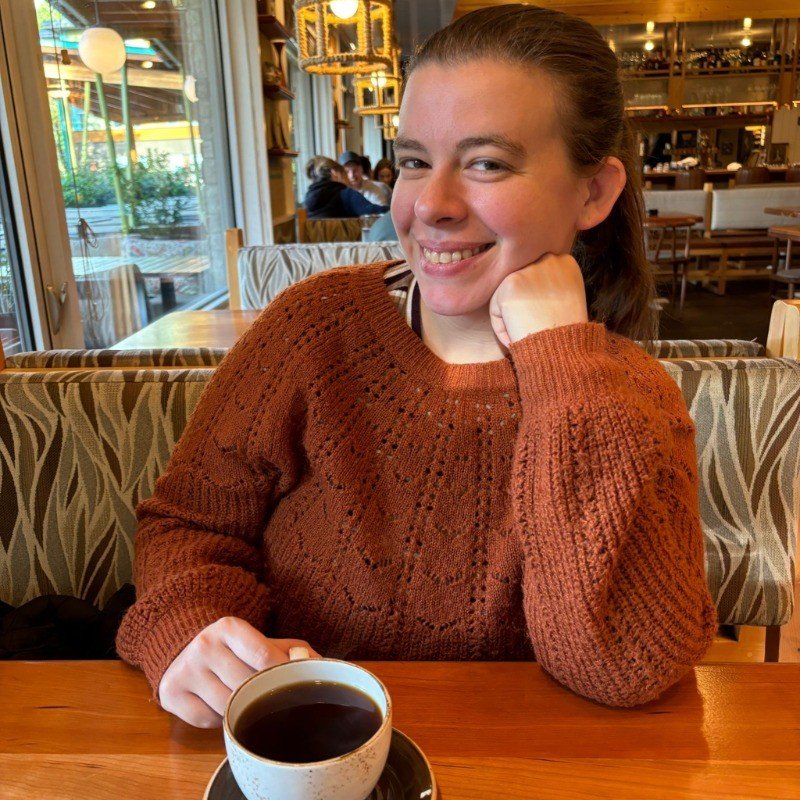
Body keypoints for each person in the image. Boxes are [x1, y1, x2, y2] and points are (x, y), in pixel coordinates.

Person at [117, 4, 717, 729]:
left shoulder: (630, 398)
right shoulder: (315, 330)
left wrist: (560, 361)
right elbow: (187, 522)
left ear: (593, 191)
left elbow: (627, 666)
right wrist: (189, 627)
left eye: (487, 163)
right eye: (413, 162)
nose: (430, 204)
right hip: (303, 752)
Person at [302, 156, 388, 219]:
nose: (347, 177)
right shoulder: (346, 194)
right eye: (344, 173)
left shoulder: (307, 199)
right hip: (346, 242)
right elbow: (373, 213)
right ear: (334, 173)